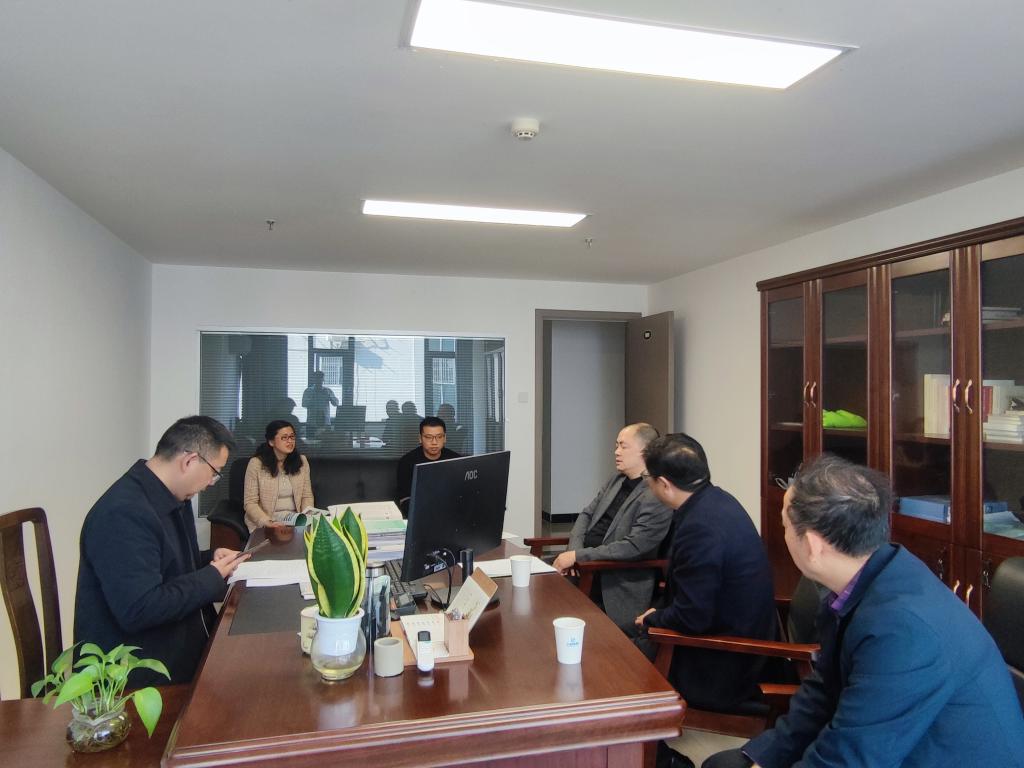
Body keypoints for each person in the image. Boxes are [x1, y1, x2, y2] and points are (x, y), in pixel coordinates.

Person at [704, 455, 1024, 768]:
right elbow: (824, 691)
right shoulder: (870, 575)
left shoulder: (903, 630)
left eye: (785, 526)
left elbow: (852, 758)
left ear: (813, 545)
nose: (783, 533)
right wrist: (763, 758)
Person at [74, 416, 248, 686]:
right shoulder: (123, 513)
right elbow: (140, 608)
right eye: (215, 472)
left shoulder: (171, 496)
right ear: (189, 461)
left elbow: (165, 565)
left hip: (181, 643)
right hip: (138, 674)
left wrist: (209, 559)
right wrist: (211, 577)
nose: (212, 482)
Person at [636, 434, 776, 768]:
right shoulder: (716, 501)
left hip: (725, 662)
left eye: (647, 479)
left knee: (618, 668)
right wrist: (662, 611)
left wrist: (654, 619)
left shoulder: (700, 527)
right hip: (741, 638)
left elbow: (693, 618)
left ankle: (661, 760)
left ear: (664, 484)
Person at [551, 423, 672, 632]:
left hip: (613, 579)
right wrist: (574, 552)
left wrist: (579, 557)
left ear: (646, 451)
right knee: (530, 583)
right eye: (616, 445)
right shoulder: (616, 480)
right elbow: (586, 514)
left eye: (623, 446)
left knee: (543, 599)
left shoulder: (655, 493)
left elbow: (633, 547)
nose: (616, 452)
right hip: (584, 565)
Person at [243, 420, 315, 532]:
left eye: (292, 437)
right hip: (268, 521)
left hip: (295, 521)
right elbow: (250, 503)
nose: (290, 441)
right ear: (271, 442)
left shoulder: (302, 461)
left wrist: (306, 518)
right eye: (284, 438)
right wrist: (267, 522)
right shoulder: (256, 464)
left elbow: (306, 496)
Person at [395, 416, 460, 513]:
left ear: (445, 438)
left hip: (450, 511)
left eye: (439, 437)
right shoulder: (407, 462)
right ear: (420, 438)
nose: (434, 442)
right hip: (421, 512)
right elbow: (404, 500)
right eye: (428, 437)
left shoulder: (456, 460)